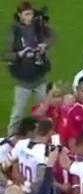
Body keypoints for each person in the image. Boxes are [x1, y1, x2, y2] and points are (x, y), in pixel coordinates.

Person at [5, 1, 55, 135]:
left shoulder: (38, 25)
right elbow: (5, 54)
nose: (29, 17)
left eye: (31, 14)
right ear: (20, 15)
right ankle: (10, 139)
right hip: (23, 80)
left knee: (45, 110)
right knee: (17, 114)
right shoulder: (14, 30)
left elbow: (52, 37)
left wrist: (45, 45)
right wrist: (19, 54)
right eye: (26, 14)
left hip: (39, 77)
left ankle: (46, 137)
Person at [59, 76, 83, 152]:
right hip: (70, 151)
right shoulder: (69, 109)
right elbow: (70, 138)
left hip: (82, 148)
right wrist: (75, 155)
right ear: (77, 89)